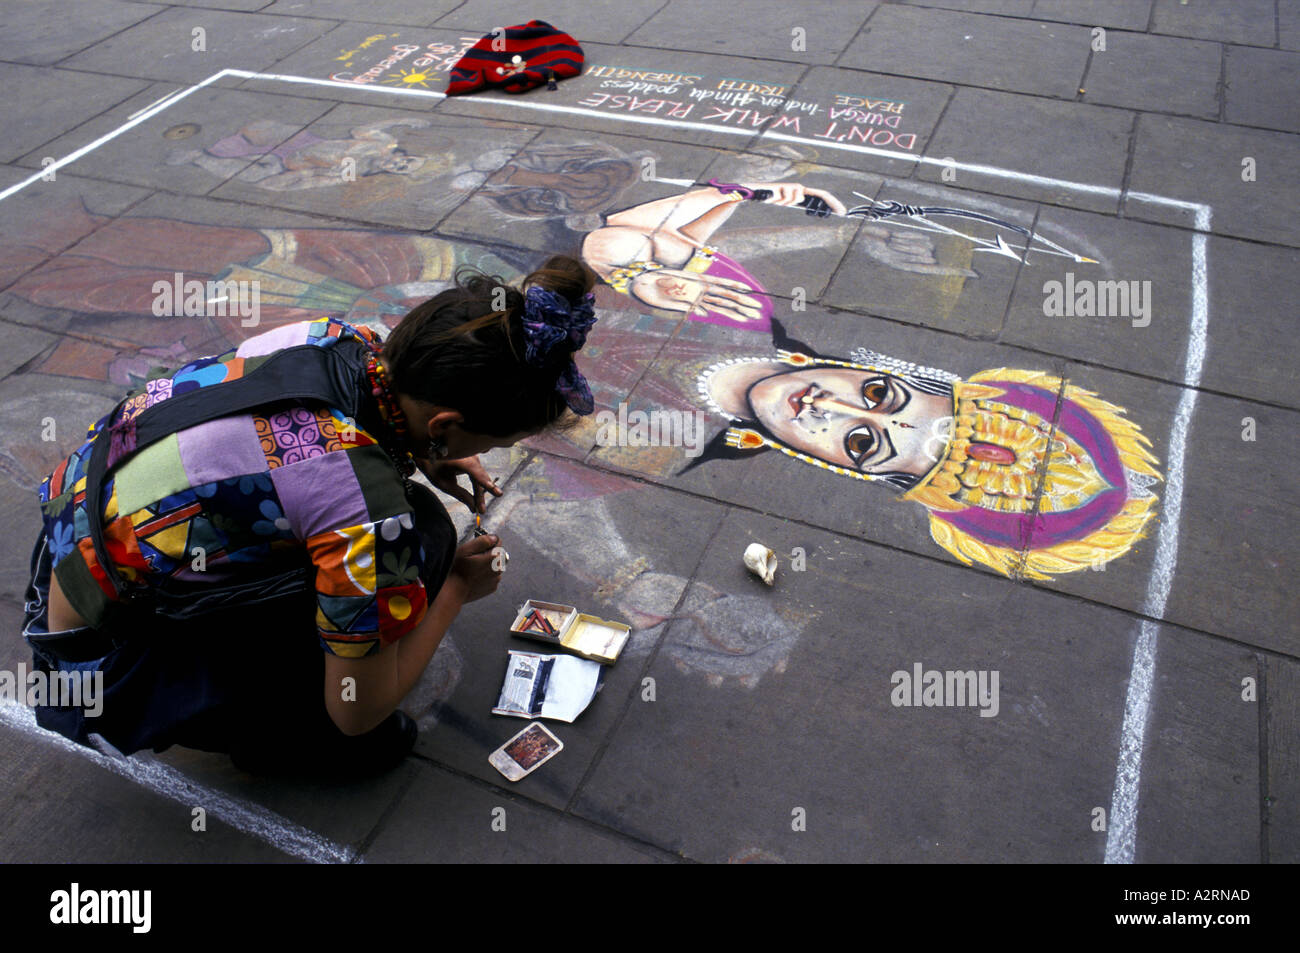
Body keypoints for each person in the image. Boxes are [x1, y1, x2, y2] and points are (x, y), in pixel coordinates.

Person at [22, 255, 598, 777]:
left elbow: (286, 430)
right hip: (104, 664)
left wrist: (426, 451)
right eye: (493, 441)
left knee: (406, 523)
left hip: (71, 548)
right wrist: (455, 588)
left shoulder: (336, 338)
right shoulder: (366, 512)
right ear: (445, 422)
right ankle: (264, 737)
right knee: (378, 721)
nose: (486, 455)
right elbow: (356, 713)